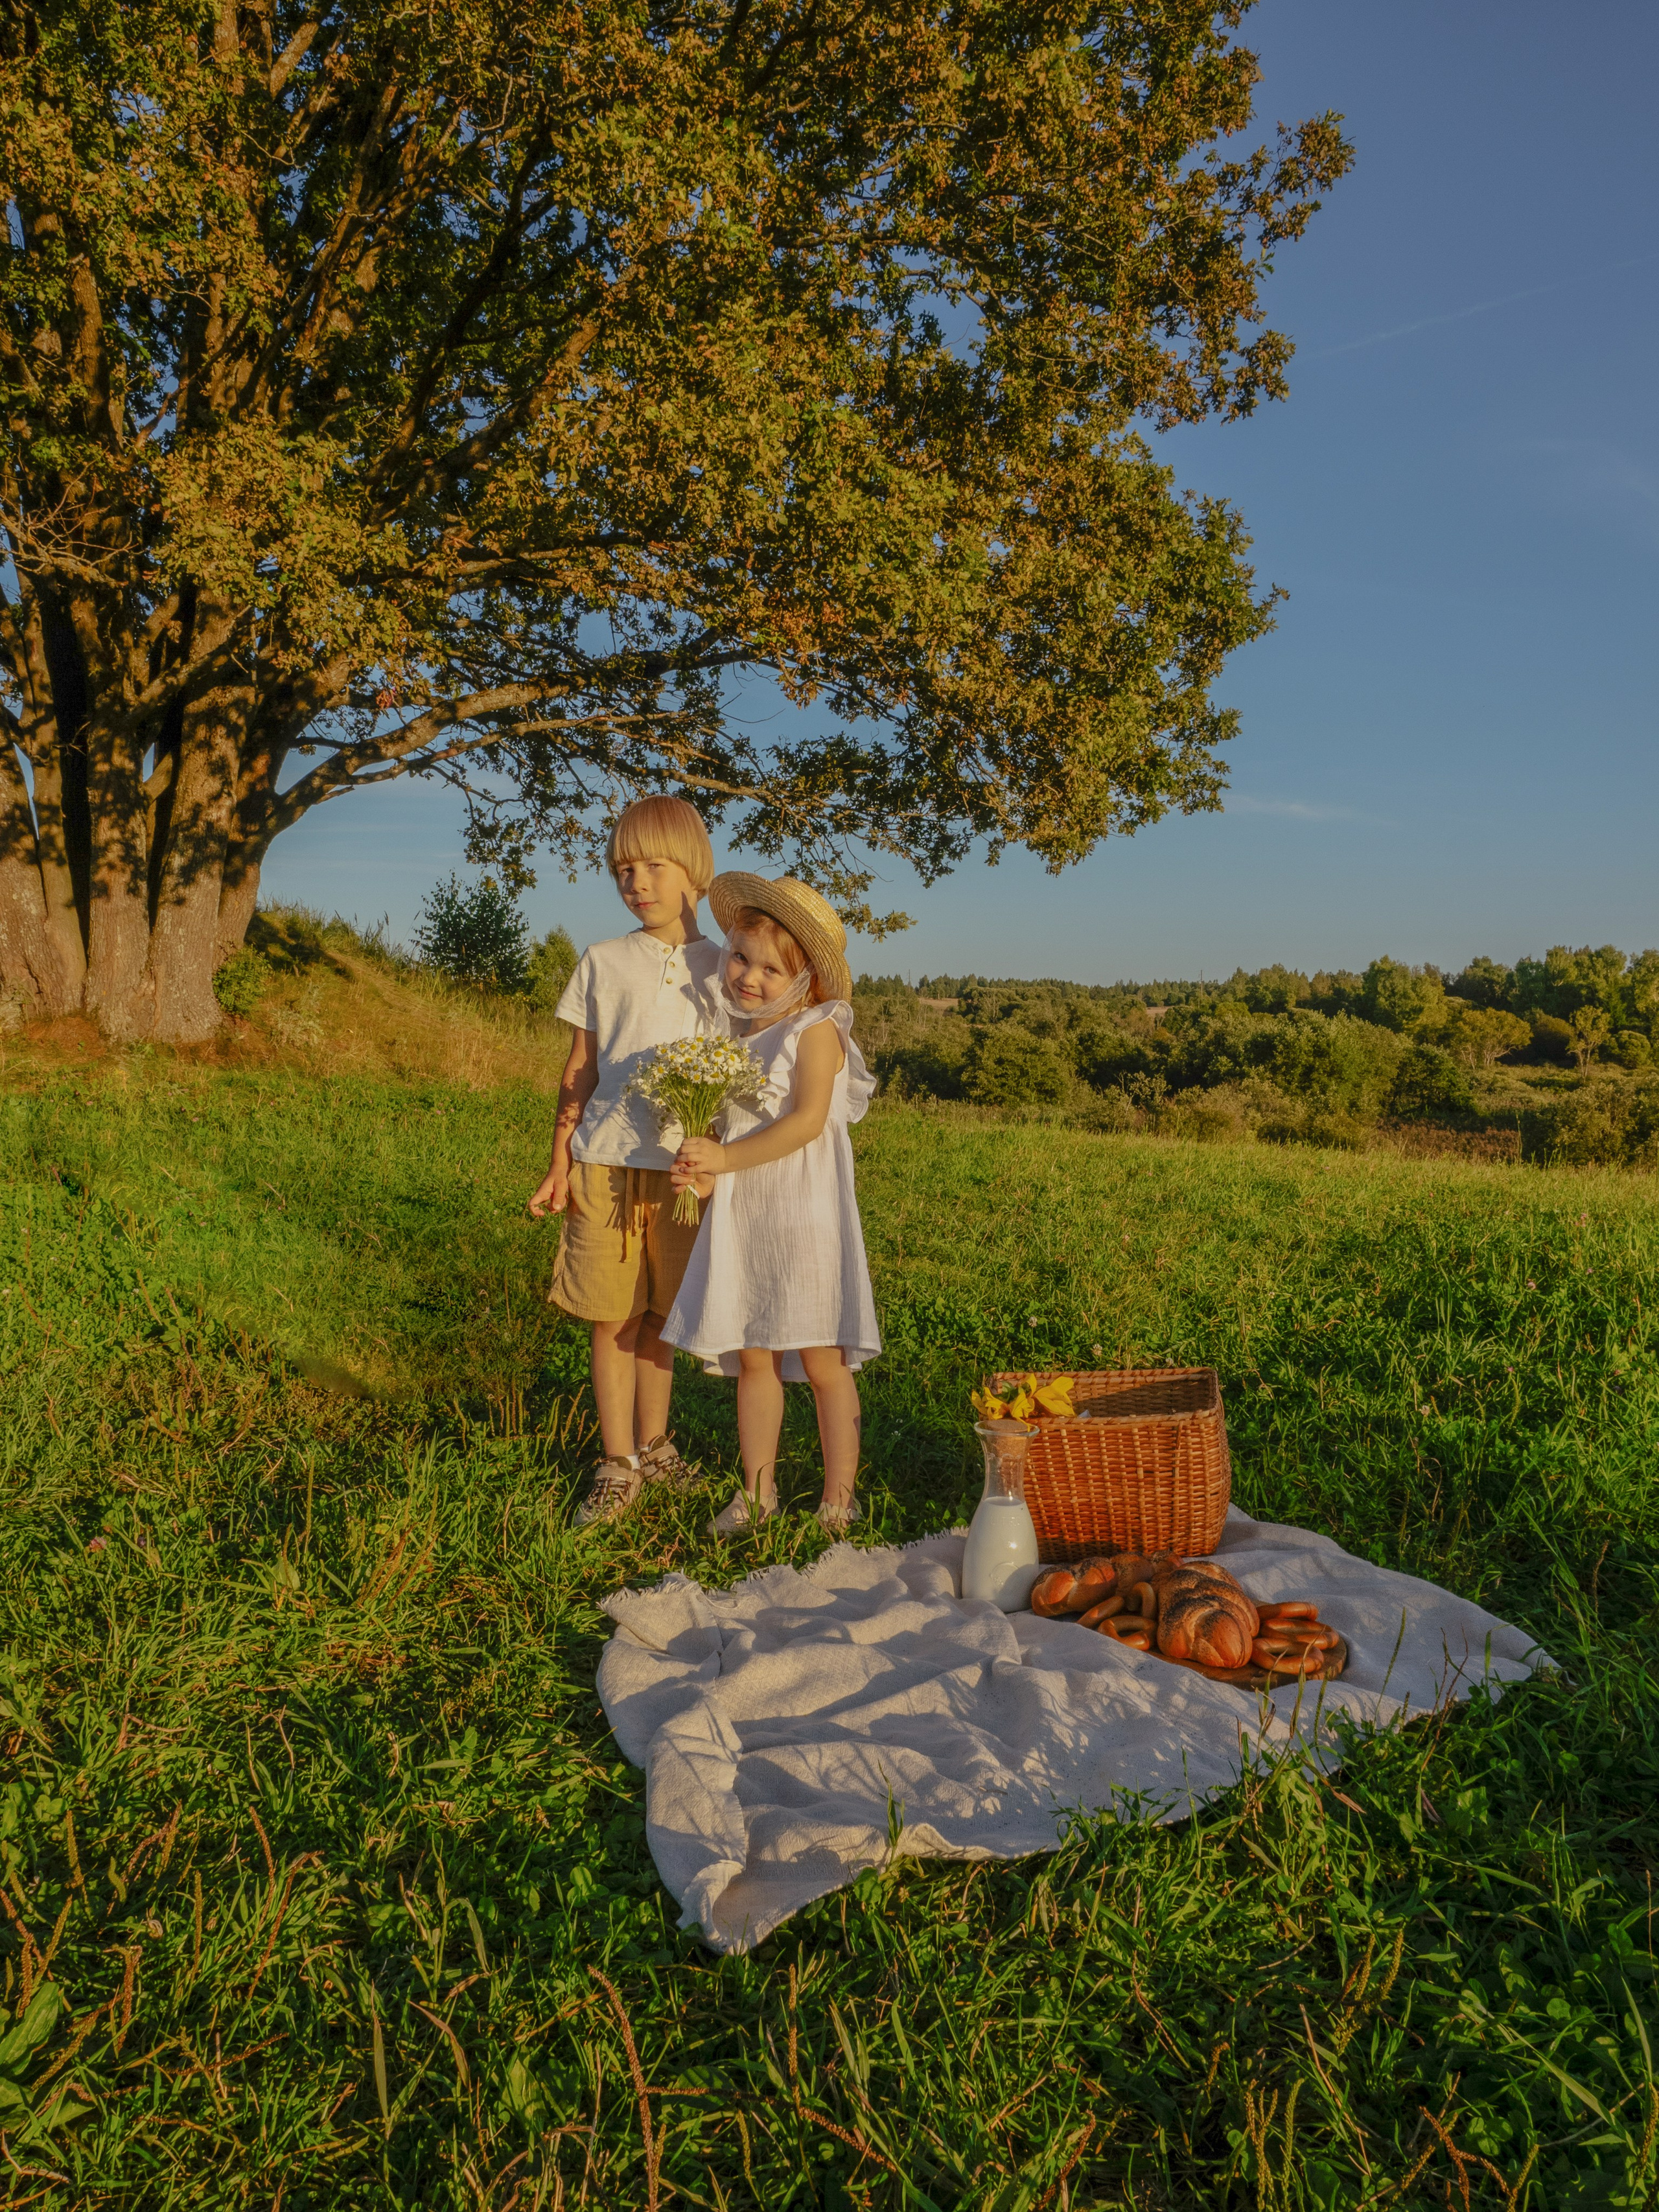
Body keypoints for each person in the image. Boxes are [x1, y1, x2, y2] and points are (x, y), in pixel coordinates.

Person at [661, 873, 880, 1536]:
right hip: (747, 1214)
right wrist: (705, 1170)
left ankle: (840, 1497)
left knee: (820, 1357)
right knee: (753, 1352)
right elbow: (730, 1132)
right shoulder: (732, 1039)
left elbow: (808, 1120)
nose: (748, 977)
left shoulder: (817, 1028)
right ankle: (757, 1491)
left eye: (769, 967)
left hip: (804, 1215)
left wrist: (726, 1158)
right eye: (739, 958)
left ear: (808, 978)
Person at [528, 795, 723, 1527]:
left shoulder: (725, 969)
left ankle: (655, 1444)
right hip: (604, 1162)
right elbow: (578, 1069)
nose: (635, 882)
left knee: (659, 1317)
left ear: (692, 870)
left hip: (682, 1171)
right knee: (611, 1315)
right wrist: (557, 1160)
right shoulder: (603, 961)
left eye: (652, 866)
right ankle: (616, 1463)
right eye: (622, 870)